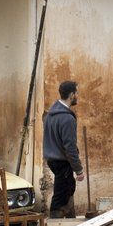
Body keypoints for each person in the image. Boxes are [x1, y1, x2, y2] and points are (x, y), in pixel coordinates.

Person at [43, 81, 85, 218]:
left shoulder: (50, 114)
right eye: (76, 93)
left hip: (52, 160)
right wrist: (78, 169)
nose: (77, 95)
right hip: (62, 162)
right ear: (72, 95)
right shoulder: (67, 118)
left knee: (68, 190)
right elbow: (70, 147)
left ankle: (71, 223)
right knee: (60, 199)